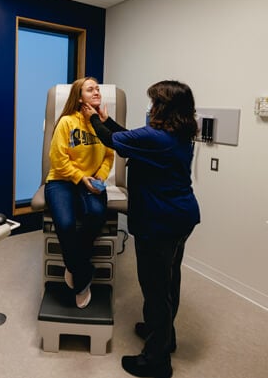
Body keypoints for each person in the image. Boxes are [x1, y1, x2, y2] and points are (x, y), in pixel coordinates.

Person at [83, 80, 200, 378]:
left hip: (159, 223)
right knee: (170, 280)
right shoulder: (180, 134)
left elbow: (113, 141)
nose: (149, 107)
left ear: (163, 107)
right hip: (181, 218)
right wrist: (107, 120)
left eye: (152, 102)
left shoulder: (157, 137)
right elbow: (131, 138)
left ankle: (156, 362)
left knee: (155, 290)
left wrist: (93, 116)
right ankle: (164, 337)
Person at [44, 77, 114, 309]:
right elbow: (58, 159)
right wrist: (79, 178)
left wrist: (101, 178)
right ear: (79, 96)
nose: (96, 92)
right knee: (64, 224)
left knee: (95, 214)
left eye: (98, 89)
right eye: (90, 89)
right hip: (63, 180)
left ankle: (74, 263)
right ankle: (82, 272)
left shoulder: (100, 124)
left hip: (92, 180)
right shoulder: (66, 122)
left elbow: (109, 156)